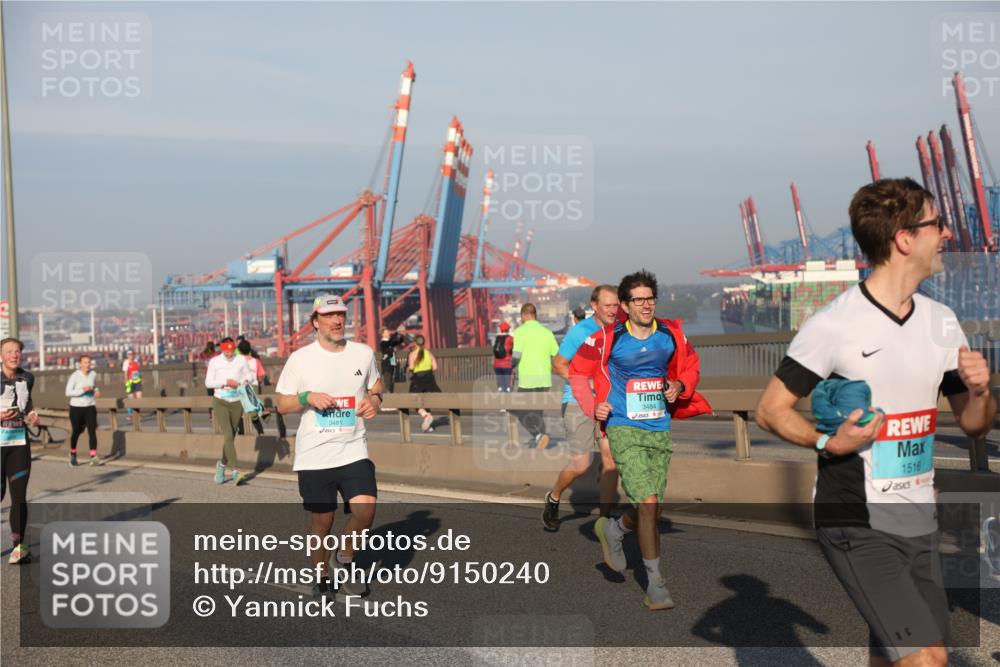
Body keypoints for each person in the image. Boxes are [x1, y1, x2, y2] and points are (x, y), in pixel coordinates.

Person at [756, 178, 997, 666]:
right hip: (856, 520)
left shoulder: (941, 319)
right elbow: (769, 410)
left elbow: (973, 425)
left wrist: (981, 390)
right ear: (905, 239)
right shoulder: (833, 325)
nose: (948, 234)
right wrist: (830, 441)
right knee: (925, 660)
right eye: (938, 224)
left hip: (919, 516)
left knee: (901, 654)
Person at [569, 270, 711, 610]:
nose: (646, 305)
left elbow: (690, 365)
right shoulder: (606, 337)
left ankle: (615, 529)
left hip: (658, 426)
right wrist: (593, 405)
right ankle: (656, 583)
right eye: (638, 300)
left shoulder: (670, 333)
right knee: (648, 503)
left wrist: (680, 386)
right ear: (625, 305)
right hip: (622, 426)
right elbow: (575, 371)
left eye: (650, 298)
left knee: (652, 508)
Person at [275, 294, 383, 598]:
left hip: (353, 448)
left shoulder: (362, 353)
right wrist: (306, 397)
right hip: (314, 455)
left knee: (366, 510)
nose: (337, 321)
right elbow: (281, 404)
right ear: (315, 322)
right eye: (329, 316)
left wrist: (375, 399)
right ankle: (321, 574)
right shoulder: (300, 359)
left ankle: (343, 559)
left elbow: (376, 385)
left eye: (341, 315)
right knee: (322, 520)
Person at [542, 285, 621, 531]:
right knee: (581, 464)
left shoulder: (621, 331)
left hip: (609, 403)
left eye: (616, 305)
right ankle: (554, 497)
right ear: (594, 306)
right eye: (607, 305)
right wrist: (585, 382)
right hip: (578, 402)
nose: (612, 310)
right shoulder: (580, 331)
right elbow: (558, 365)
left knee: (611, 461)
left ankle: (605, 521)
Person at [1, 338, 40, 564]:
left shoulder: (28, 378)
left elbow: (28, 403)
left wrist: (32, 414)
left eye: (17, 351)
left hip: (18, 444)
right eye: (9, 352)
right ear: (1, 356)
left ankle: (19, 548)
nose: (14, 355)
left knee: (19, 498)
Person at [205, 337, 255, 485]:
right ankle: (234, 470)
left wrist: (243, 381)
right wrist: (225, 382)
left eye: (231, 350)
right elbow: (208, 382)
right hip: (220, 401)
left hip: (237, 401)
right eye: (226, 351)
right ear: (221, 349)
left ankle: (221, 465)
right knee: (227, 435)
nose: (228, 354)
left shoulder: (240, 360)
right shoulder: (214, 362)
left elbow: (250, 376)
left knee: (231, 437)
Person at [512, 303, 558, 449]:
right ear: (535, 315)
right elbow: (556, 354)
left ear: (524, 315)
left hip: (527, 379)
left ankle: (539, 436)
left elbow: (516, 356)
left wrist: (511, 366)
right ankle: (542, 439)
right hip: (544, 378)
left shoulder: (519, 332)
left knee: (518, 409)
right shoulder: (547, 332)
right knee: (538, 412)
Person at [64, 354, 101, 466]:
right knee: (76, 431)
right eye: (85, 362)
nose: (87, 365)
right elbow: (68, 392)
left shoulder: (93, 374)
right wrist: (82, 390)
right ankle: (73, 453)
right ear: (80, 364)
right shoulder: (75, 376)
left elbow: (94, 386)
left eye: (89, 362)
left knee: (92, 431)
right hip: (76, 408)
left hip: (90, 406)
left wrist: (97, 391)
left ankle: (93, 456)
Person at [408, 334, 441, 432]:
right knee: (426, 401)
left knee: (413, 401)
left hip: (418, 380)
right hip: (430, 379)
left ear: (415, 343)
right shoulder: (429, 353)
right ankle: (430, 425)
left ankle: (426, 416)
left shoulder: (412, 354)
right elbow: (435, 367)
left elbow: (411, 368)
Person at [378, 325, 408, 393]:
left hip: (392, 364)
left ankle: (390, 393)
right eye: (387, 332)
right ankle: (387, 395)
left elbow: (398, 342)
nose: (389, 333)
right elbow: (390, 342)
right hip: (387, 366)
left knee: (391, 381)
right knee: (387, 381)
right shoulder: (383, 343)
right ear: (383, 334)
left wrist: (402, 335)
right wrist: (397, 332)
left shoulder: (389, 342)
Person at [492, 322, 514, 393]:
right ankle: (507, 399)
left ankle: (500, 393)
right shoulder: (511, 338)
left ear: (500, 330)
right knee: (508, 386)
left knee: (501, 385)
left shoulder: (497, 338)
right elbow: (517, 349)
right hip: (507, 365)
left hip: (497, 365)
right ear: (508, 329)